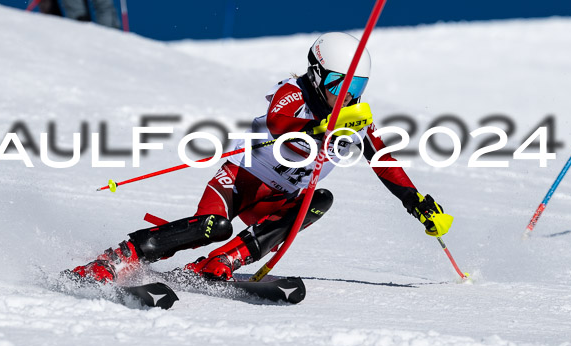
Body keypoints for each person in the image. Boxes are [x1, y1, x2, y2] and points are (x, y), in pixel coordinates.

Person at [68, 32, 453, 283]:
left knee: (319, 201)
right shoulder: (295, 91)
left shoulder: (354, 119)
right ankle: (119, 257)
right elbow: (278, 120)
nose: (346, 96)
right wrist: (318, 129)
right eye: (340, 84)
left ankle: (220, 263)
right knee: (213, 225)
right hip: (239, 181)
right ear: (318, 75)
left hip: (279, 199)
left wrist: (414, 202)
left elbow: (384, 161)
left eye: (357, 87)